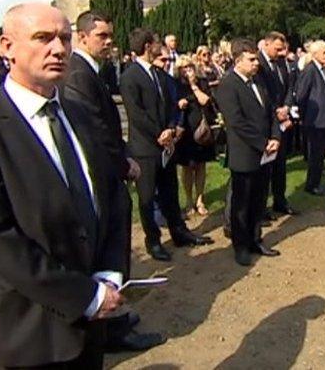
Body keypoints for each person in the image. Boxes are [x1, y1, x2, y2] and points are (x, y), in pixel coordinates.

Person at [0, 3, 129, 368]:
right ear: (6, 46)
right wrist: (84, 296)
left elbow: (113, 197)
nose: (58, 49)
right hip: (30, 330)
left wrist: (109, 271)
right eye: (42, 38)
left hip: (91, 326)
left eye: (65, 38)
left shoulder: (80, 116)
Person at [61, 11, 165, 353]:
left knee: (114, 253)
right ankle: (111, 330)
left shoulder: (91, 71)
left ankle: (115, 320)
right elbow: (95, 131)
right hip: (101, 177)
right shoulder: (78, 74)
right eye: (102, 36)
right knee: (107, 254)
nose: (109, 42)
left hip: (110, 171)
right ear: (83, 36)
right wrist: (124, 164)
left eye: (110, 36)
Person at [121, 28, 212, 262]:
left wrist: (171, 128)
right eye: (156, 44)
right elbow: (136, 113)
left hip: (167, 144)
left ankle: (179, 232)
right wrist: (158, 133)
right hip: (145, 147)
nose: (160, 48)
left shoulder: (159, 75)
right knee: (147, 196)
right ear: (147, 46)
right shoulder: (131, 76)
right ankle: (153, 241)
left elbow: (173, 104)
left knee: (170, 192)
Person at [217, 38, 282, 266]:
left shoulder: (259, 82)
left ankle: (255, 239)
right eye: (251, 59)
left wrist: (275, 136)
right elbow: (236, 122)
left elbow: (271, 112)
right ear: (238, 60)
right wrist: (262, 142)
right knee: (241, 203)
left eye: (257, 58)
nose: (256, 63)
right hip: (245, 152)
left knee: (259, 199)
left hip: (265, 152)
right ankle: (240, 245)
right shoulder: (228, 85)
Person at [255, 32, 297, 217]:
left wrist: (286, 107)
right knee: (265, 168)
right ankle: (261, 208)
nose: (281, 53)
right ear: (266, 44)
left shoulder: (281, 63)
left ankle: (280, 201)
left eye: (282, 49)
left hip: (281, 118)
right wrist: (275, 111)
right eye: (277, 49)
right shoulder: (257, 64)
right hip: (267, 120)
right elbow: (262, 93)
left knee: (280, 164)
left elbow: (288, 87)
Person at [175, 56, 217, 217]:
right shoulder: (176, 84)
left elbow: (205, 100)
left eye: (189, 66)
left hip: (201, 129)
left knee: (200, 165)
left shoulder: (201, 82)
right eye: (184, 67)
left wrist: (194, 85)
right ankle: (188, 200)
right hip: (185, 130)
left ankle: (200, 199)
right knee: (187, 167)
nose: (187, 70)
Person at [294, 40, 325, 196]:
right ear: (315, 54)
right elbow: (301, 95)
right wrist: (306, 116)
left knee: (320, 153)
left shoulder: (323, 70)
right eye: (324, 52)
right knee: (316, 154)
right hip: (315, 119)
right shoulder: (310, 70)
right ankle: (312, 185)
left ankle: (316, 182)